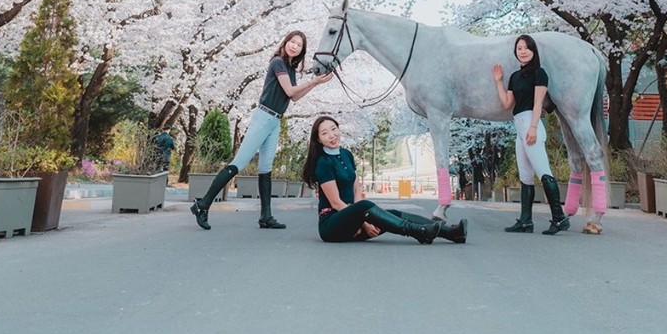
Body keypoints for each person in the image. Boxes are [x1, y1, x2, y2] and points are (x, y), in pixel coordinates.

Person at [191, 30, 333, 231]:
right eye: (292, 41)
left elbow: (294, 97)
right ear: (285, 43)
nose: (294, 46)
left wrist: (314, 84)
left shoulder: (290, 69)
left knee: (266, 167)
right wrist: (315, 81)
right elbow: (291, 91)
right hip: (263, 117)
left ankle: (266, 216)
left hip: (275, 120)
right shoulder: (277, 62)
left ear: (302, 51)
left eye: (299, 45)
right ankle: (203, 205)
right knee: (239, 163)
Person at [301, 115, 468, 245]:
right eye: (325, 133)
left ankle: (452, 233)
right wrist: (363, 221)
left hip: (353, 219)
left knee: (392, 214)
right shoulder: (323, 163)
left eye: (333, 129)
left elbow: (357, 190)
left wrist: (361, 219)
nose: (332, 135)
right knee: (365, 207)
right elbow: (336, 203)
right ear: (318, 139)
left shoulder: (346, 154)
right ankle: (418, 232)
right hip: (332, 225)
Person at [492, 34, 569, 235]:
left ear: (533, 50)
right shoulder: (514, 77)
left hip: (530, 125)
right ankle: (526, 221)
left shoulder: (539, 73)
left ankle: (559, 218)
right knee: (525, 176)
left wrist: (534, 127)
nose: (523, 51)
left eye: (526, 47)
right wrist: (499, 81)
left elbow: (538, 103)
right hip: (519, 127)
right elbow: (508, 104)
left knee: (544, 172)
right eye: (519, 48)